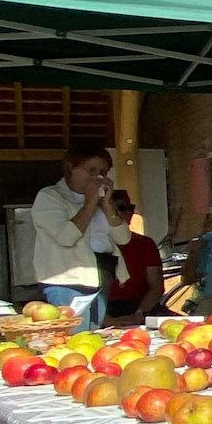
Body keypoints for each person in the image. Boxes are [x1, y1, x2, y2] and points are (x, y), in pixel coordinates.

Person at [31, 141, 133, 331]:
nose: (98, 177)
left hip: (101, 273)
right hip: (68, 280)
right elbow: (66, 238)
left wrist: (108, 206)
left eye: (103, 172)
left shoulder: (103, 202)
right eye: (91, 170)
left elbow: (124, 239)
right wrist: (90, 202)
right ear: (71, 168)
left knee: (94, 332)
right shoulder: (50, 197)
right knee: (74, 334)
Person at [103, 190, 164, 323]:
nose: (128, 212)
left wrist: (139, 313)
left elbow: (156, 286)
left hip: (140, 306)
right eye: (121, 208)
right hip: (105, 308)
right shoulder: (97, 244)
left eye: (130, 208)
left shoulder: (145, 243)